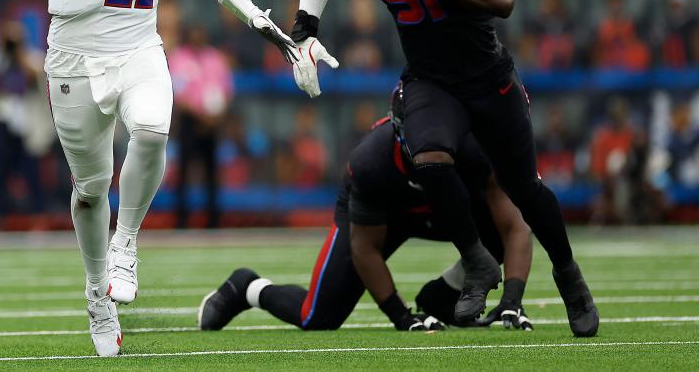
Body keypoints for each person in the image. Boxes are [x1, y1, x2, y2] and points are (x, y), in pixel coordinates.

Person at [288, 0, 599, 337]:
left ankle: (570, 278)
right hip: (431, 78)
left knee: (524, 188)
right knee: (429, 157)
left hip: (486, 77)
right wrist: (305, 28)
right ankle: (476, 259)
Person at [40, 0, 298, 357]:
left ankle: (125, 242)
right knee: (88, 189)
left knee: (153, 129)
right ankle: (96, 292)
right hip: (75, 54)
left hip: (137, 44)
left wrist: (258, 18)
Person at [198, 113, 533, 332]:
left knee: (503, 218)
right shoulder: (372, 161)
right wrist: (402, 318)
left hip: (447, 210)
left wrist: (511, 302)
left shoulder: (474, 147)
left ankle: (440, 299)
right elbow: (365, 249)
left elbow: (515, 224)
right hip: (384, 216)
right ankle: (246, 287)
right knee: (318, 316)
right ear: (400, 134)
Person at [0, 20, 51, 222]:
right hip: (2, 121)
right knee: (0, 171)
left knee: (31, 172)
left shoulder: (31, 56)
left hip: (27, 123)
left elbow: (37, 74)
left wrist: (19, 52)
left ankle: (37, 217)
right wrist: (0, 53)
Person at [170, 24, 234, 229]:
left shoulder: (215, 58)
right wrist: (200, 115)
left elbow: (226, 89)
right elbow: (178, 93)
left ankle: (213, 220)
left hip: (213, 122)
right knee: (185, 171)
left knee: (212, 172)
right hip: (190, 122)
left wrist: (215, 117)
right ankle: (182, 220)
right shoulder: (179, 58)